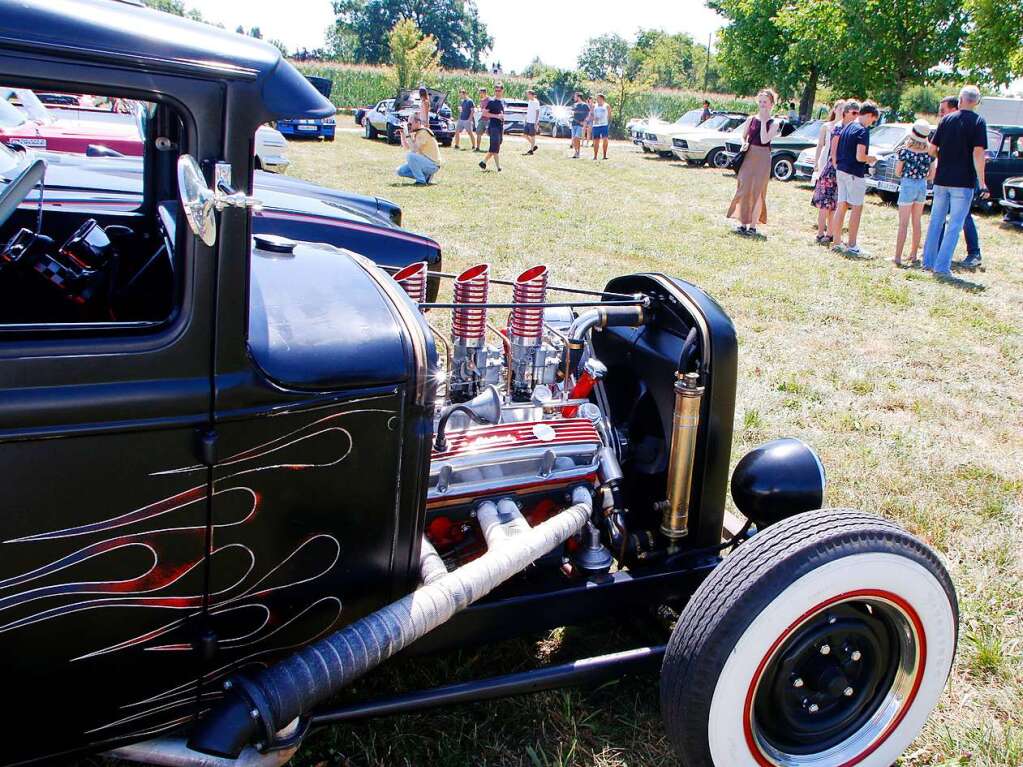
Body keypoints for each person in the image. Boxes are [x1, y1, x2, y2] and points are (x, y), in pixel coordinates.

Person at [922, 85, 990, 277]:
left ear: (960, 100)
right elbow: (978, 153)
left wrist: (942, 159)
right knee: (954, 225)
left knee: (936, 221)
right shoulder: (978, 122)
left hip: (942, 178)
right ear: (976, 102)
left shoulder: (947, 120)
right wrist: (982, 182)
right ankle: (942, 267)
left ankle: (928, 261)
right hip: (963, 181)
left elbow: (932, 149)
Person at [934, 95, 984, 268]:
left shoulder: (969, 123)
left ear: (955, 107)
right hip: (947, 179)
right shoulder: (948, 123)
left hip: (962, 180)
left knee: (962, 219)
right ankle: (937, 254)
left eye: (943, 110)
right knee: (942, 219)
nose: (940, 114)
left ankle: (974, 252)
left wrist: (982, 181)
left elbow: (978, 153)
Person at [726, 88, 782, 237]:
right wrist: (743, 143)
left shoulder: (774, 122)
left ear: (771, 104)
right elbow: (743, 136)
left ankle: (753, 226)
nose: (762, 104)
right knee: (744, 189)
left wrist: (764, 121)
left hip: (763, 158)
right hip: (749, 155)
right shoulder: (751, 119)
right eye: (761, 101)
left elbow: (764, 139)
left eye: (766, 102)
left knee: (757, 192)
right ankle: (742, 224)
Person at [829, 100, 879, 255]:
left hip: (841, 170)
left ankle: (836, 241)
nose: (871, 123)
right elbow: (860, 156)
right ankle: (852, 244)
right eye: (873, 120)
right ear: (870, 115)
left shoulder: (848, 125)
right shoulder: (862, 131)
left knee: (841, 205)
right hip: (853, 173)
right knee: (857, 207)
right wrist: (870, 158)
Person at [893, 120, 935, 266]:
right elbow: (932, 174)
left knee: (903, 224)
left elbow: (898, 172)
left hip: (907, 184)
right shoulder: (930, 152)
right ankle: (914, 254)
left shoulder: (905, 151)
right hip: (922, 185)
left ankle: (897, 256)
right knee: (916, 222)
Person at [810, 100, 845, 244]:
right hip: (826, 165)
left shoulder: (845, 128)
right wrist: (816, 163)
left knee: (834, 204)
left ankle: (830, 233)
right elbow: (820, 145)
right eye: (840, 108)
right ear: (835, 109)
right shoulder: (827, 127)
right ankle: (820, 232)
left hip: (838, 168)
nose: (842, 111)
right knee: (824, 202)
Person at [396, 113, 440, 185]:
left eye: (410, 124)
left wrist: (407, 134)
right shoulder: (417, 132)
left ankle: (421, 180)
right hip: (425, 162)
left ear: (417, 122)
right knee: (400, 171)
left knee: (410, 156)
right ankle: (426, 176)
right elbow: (406, 147)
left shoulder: (424, 132)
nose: (409, 126)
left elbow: (414, 149)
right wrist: (402, 134)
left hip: (433, 165)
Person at [479, 82, 505, 171]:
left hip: (500, 127)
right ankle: (498, 167)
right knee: (495, 147)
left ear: (502, 91)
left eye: (499, 90)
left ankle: (483, 162)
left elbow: (501, 114)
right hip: (493, 127)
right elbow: (484, 113)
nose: (497, 92)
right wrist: (496, 116)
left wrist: (501, 117)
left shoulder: (502, 102)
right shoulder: (491, 101)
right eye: (496, 90)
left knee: (495, 146)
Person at [591, 93, 611, 160]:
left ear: (602, 98)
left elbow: (609, 115)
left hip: (604, 125)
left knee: (605, 139)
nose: (597, 99)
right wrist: (594, 118)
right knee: (596, 140)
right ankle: (595, 156)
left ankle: (604, 155)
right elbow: (591, 114)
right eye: (596, 98)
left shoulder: (606, 106)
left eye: (598, 98)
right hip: (596, 125)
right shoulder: (594, 106)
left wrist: (607, 123)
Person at [570, 92, 590, 159]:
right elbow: (572, 113)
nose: (574, 98)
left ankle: (578, 152)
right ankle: (576, 152)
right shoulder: (574, 104)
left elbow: (588, 114)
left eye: (575, 96)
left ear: (578, 97)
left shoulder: (585, 105)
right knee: (575, 139)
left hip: (580, 125)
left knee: (576, 138)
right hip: (573, 124)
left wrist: (585, 121)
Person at [523, 89, 540, 155]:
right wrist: (526, 119)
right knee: (525, 135)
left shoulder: (536, 102)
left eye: (528, 94)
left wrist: (536, 122)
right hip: (528, 121)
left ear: (531, 95)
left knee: (532, 136)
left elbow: (537, 112)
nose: (527, 95)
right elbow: (529, 111)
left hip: (533, 122)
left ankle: (531, 150)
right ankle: (534, 145)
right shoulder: (530, 101)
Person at [474, 87, 490, 153]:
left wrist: (485, 110)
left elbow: (490, 109)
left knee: (490, 134)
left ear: (484, 92)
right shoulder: (481, 100)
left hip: (488, 119)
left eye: (480, 92)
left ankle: (491, 149)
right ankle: (477, 147)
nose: (479, 94)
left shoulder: (489, 100)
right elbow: (482, 109)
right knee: (478, 132)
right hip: (482, 118)